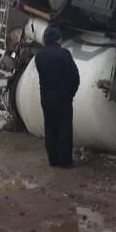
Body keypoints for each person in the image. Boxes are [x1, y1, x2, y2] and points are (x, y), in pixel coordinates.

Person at [33, 26, 80, 167]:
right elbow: (74, 77)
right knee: (64, 128)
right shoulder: (64, 54)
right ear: (57, 38)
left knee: (50, 128)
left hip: (46, 97)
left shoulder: (39, 56)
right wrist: (70, 94)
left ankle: (53, 160)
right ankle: (65, 161)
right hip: (63, 97)